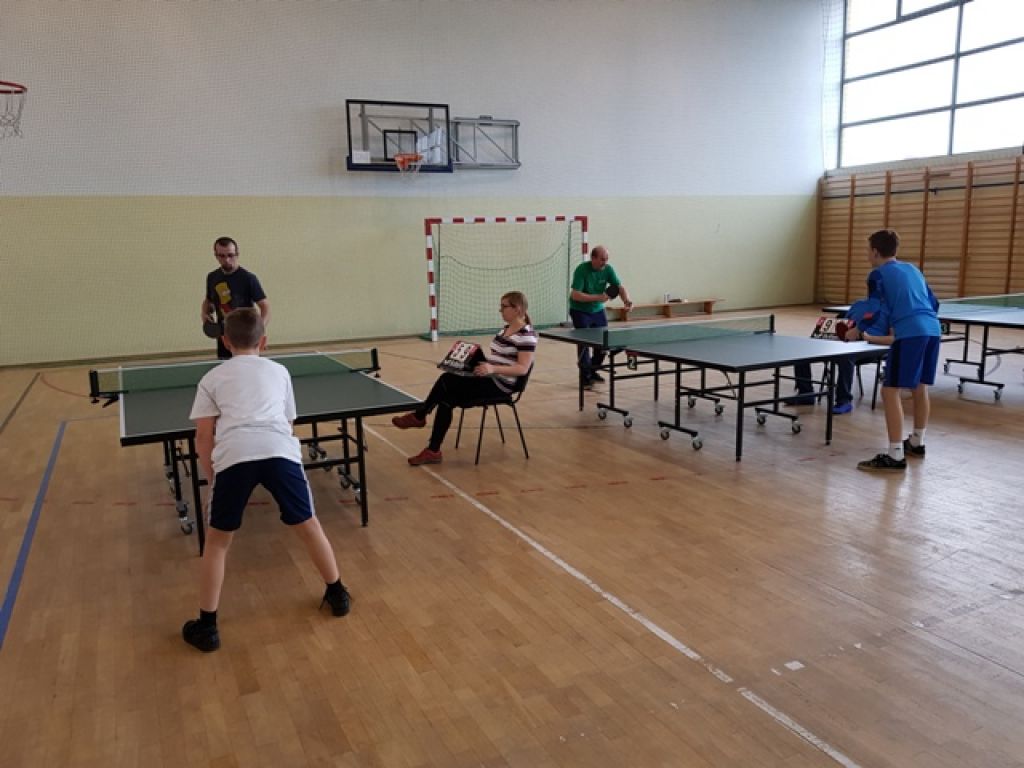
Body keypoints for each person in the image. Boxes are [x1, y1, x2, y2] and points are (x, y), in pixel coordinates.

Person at [182, 307, 350, 653]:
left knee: (217, 543)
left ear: (224, 341)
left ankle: (207, 626)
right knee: (309, 526)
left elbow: (203, 437)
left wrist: (213, 478)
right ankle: (337, 593)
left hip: (234, 457)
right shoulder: (280, 371)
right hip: (279, 452)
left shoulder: (212, 378)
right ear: (264, 341)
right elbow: (288, 424)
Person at [392, 291, 536, 466]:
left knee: (447, 379)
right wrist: (477, 361)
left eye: (504, 307)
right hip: (489, 377)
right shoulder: (504, 330)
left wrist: (492, 368)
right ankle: (433, 451)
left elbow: (522, 368)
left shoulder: (526, 336)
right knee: (446, 399)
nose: (500, 310)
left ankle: (420, 415)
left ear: (517, 308)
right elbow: (499, 358)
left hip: (502, 385)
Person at [845, 229, 940, 472]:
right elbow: (934, 302)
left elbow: (875, 309)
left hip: (910, 333)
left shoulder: (877, 274)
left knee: (889, 391)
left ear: (876, 252)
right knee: (920, 386)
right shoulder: (913, 269)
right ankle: (917, 442)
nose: (867, 255)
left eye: (868, 251)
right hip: (933, 329)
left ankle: (895, 455)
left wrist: (858, 329)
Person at [785, 269, 888, 414]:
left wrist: (868, 337)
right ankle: (805, 394)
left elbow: (893, 338)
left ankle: (844, 400)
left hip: (872, 346)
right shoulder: (858, 304)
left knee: (846, 357)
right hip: (845, 342)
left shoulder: (890, 309)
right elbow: (844, 324)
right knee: (802, 349)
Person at [568, 245, 633, 387]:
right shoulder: (582, 270)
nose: (605, 262)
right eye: (602, 259)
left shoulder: (608, 269)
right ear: (593, 258)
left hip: (597, 311)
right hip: (580, 311)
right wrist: (598, 297)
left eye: (607, 259)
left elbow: (619, 287)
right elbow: (575, 295)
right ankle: (585, 377)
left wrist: (626, 300)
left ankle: (593, 370)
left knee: (603, 343)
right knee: (584, 344)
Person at [201, 236, 271, 360]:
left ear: (237, 254)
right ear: (216, 256)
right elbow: (208, 301)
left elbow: (265, 307)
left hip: (246, 338)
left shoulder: (248, 278)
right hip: (225, 336)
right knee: (225, 367)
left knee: (248, 368)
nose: (227, 260)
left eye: (230, 255)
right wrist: (204, 313)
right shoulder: (212, 277)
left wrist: (259, 331)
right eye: (222, 256)